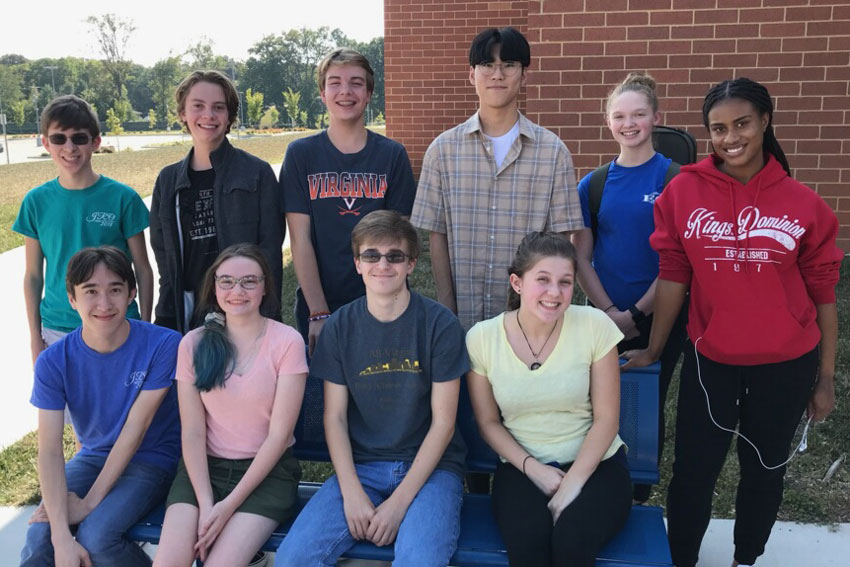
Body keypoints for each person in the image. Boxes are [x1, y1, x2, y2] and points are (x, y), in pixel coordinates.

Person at [623, 78, 842, 567]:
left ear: (765, 121)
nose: (730, 137)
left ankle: (745, 560)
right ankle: (681, 560)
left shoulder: (804, 204)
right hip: (711, 361)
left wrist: (825, 377)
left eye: (742, 123)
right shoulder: (684, 192)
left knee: (764, 471)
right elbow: (674, 275)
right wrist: (656, 350)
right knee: (693, 473)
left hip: (786, 364)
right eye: (718, 128)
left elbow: (824, 295)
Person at [275, 210, 468, 567]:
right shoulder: (339, 327)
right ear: (357, 264)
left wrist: (398, 504)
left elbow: (444, 424)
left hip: (431, 471)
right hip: (362, 466)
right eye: (371, 255)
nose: (383, 264)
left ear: (411, 264)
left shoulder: (440, 325)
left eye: (395, 256)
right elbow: (333, 418)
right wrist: (351, 493)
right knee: (293, 560)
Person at [466, 232, 632, 567]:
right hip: (521, 465)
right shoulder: (483, 338)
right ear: (517, 283)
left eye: (565, 282)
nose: (555, 293)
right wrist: (535, 470)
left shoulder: (594, 326)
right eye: (542, 280)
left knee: (573, 542)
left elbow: (606, 419)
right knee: (528, 546)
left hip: (596, 464)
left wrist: (572, 484)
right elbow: (487, 422)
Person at [412, 26, 584, 333]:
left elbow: (560, 240)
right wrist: (446, 305)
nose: (497, 74)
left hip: (528, 321)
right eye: (487, 65)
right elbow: (437, 235)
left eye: (509, 65)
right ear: (472, 75)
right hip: (461, 318)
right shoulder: (442, 150)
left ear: (524, 75)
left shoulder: (553, 152)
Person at [20, 246, 181, 567]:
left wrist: (88, 504)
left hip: (153, 460)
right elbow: (49, 451)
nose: (104, 304)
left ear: (132, 293)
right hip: (94, 457)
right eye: (90, 291)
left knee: (97, 537)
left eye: (115, 290)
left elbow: (136, 429)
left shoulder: (164, 344)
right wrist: (61, 538)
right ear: (71, 298)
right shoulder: (54, 360)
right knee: (41, 538)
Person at [153, 243, 307, 566]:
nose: (237, 290)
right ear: (214, 286)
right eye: (227, 281)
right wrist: (208, 503)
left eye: (249, 281)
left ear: (265, 286)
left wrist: (226, 508)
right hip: (202, 472)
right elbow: (193, 433)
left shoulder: (287, 342)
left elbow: (279, 437)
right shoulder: (193, 344)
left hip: (266, 475)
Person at [572, 72, 687, 502]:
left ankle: (636, 494)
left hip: (661, 316)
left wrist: (637, 314)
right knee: (594, 404)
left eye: (639, 114)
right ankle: (595, 485)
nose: (629, 123)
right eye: (620, 115)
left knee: (644, 405)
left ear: (657, 117)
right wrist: (609, 314)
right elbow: (581, 257)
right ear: (609, 122)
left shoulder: (678, 180)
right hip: (603, 318)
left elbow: (679, 263)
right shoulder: (594, 184)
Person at [280, 48, 416, 352]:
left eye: (356, 83)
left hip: (383, 301)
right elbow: (299, 238)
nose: (345, 91)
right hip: (322, 303)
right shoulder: (301, 155)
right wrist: (318, 310)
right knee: (326, 395)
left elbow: (400, 242)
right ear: (322, 93)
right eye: (335, 82)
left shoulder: (392, 155)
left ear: (368, 94)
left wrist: (386, 306)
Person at [13, 95, 154, 365]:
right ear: (46, 142)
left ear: (95, 142)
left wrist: (145, 327)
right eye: (58, 139)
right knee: (64, 407)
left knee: (125, 406)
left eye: (79, 138)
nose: (70, 147)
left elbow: (143, 269)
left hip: (117, 323)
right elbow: (33, 275)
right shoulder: (35, 202)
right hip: (58, 328)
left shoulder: (123, 198)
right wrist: (34, 337)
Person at [150, 70, 283, 334]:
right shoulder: (168, 181)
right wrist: (165, 317)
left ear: (230, 116)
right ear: (183, 113)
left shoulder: (256, 174)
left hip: (243, 309)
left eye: (218, 107)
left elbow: (270, 253)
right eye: (198, 106)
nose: (208, 115)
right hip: (188, 314)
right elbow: (166, 263)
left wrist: (268, 319)